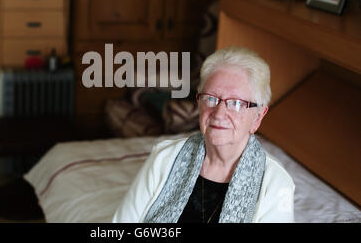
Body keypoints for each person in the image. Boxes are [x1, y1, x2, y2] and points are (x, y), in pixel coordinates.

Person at [112, 46, 295, 223]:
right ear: (199, 104)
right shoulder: (164, 158)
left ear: (258, 117)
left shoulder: (276, 185)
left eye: (236, 103)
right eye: (211, 98)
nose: (219, 113)